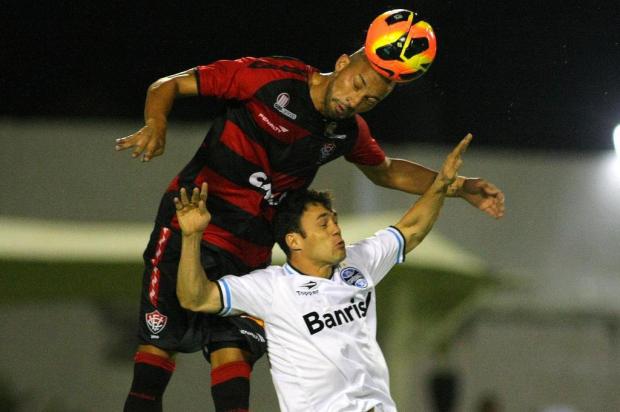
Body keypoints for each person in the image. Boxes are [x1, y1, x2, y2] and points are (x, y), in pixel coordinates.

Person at [116, 49, 504, 411]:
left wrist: (462, 187)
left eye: (370, 100)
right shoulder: (269, 79)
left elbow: (385, 171)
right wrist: (156, 122)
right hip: (194, 220)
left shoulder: (346, 131)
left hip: (254, 245)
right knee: (158, 344)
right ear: (341, 63)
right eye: (357, 85)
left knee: (231, 349)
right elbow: (168, 84)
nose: (355, 101)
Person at [174, 134, 473, 411]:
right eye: (323, 224)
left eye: (334, 220)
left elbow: (412, 229)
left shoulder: (358, 262)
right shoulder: (272, 288)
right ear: (294, 241)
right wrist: (191, 237)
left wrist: (441, 185)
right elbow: (195, 298)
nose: (335, 229)